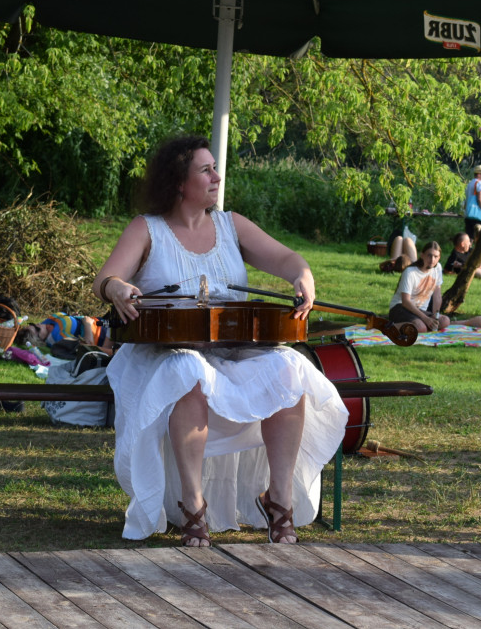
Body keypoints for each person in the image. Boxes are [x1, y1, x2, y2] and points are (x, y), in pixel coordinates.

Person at [91, 135, 348, 547]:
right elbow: (105, 281)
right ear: (179, 182)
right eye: (205, 170)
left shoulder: (232, 224)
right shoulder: (147, 229)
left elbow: (286, 258)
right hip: (160, 354)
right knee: (187, 370)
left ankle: (278, 499)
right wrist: (118, 289)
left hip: (229, 349)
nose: (216, 176)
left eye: (215, 167)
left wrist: (303, 275)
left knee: (290, 368)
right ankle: (193, 504)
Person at [386, 241, 450, 333]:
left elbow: (437, 295)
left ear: (439, 258)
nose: (432, 260)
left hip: (419, 310)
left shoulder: (438, 268)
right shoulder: (410, 272)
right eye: (429, 255)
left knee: (445, 321)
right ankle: (387, 327)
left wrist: (436, 316)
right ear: (422, 255)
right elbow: (405, 301)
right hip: (400, 307)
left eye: (435, 256)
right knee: (421, 327)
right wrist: (426, 319)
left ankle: (416, 326)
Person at [464, 165, 481, 237]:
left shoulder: (470, 183)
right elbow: (479, 199)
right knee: (480, 237)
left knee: (469, 237)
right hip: (477, 216)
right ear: (478, 174)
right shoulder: (480, 184)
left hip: (468, 214)